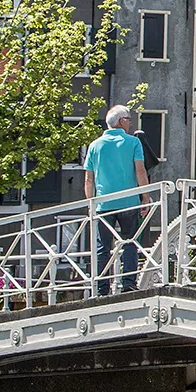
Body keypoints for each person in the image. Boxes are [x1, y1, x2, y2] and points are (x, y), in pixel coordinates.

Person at [85, 105, 150, 294]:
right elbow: (140, 170)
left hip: (104, 204)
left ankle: (101, 287)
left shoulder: (95, 145)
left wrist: (92, 204)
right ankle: (128, 283)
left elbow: (89, 179)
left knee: (102, 247)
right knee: (129, 243)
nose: (130, 123)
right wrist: (144, 197)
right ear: (121, 121)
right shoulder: (133, 143)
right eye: (128, 119)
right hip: (128, 201)